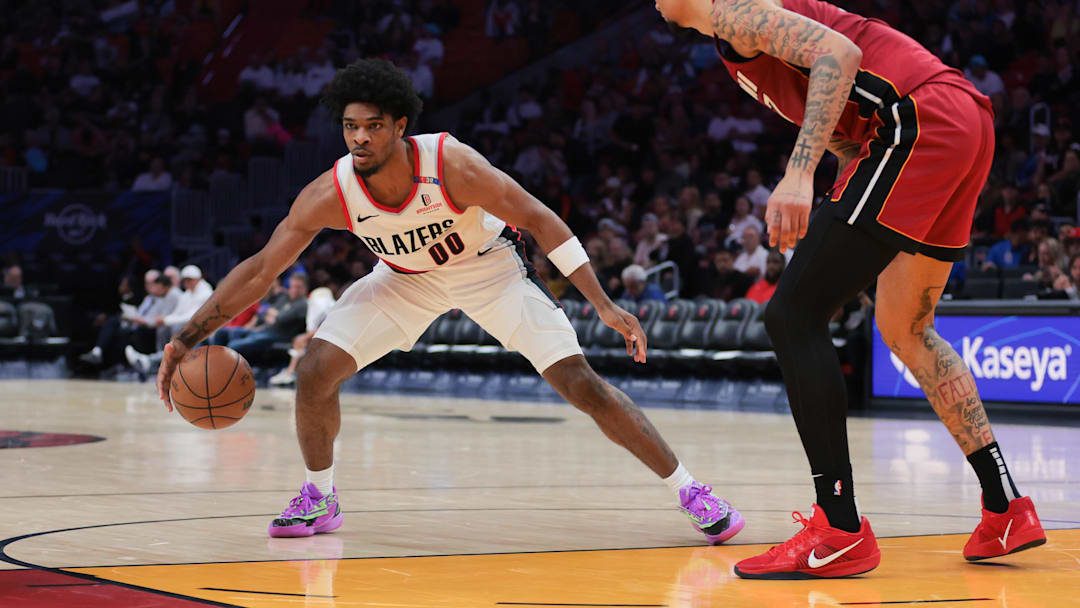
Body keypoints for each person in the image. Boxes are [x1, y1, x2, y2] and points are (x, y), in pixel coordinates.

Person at [154, 59, 743, 544]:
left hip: (490, 271)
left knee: (582, 385)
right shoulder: (332, 192)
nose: (360, 137)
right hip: (404, 278)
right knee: (313, 373)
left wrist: (605, 303)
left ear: (400, 125)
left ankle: (691, 491)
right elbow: (260, 271)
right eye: (350, 126)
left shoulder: (452, 166)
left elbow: (540, 218)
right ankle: (319, 495)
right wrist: (185, 339)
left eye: (373, 126)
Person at [657, 0, 1044, 579]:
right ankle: (1006, 506)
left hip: (917, 118)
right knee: (907, 331)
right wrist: (842, 209)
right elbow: (844, 128)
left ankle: (838, 529)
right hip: (959, 122)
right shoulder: (730, 45)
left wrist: (798, 173)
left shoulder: (736, 11)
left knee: (792, 315)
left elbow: (840, 55)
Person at [80, 271, 178, 366]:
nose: (151, 286)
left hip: (151, 327)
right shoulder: (149, 298)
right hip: (140, 323)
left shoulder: (169, 296)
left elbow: (159, 319)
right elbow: (141, 314)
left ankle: (143, 363)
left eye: (153, 283)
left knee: (127, 332)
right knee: (113, 322)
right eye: (147, 283)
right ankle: (99, 353)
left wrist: (136, 319)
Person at [211, 273, 309, 362]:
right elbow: (266, 312)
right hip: (265, 330)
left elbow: (280, 318)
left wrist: (275, 315)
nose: (294, 290)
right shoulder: (286, 298)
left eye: (298, 287)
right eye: (292, 286)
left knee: (234, 345)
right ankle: (214, 361)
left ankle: (224, 369)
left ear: (305, 288)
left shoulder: (302, 304)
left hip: (279, 336)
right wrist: (274, 316)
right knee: (222, 333)